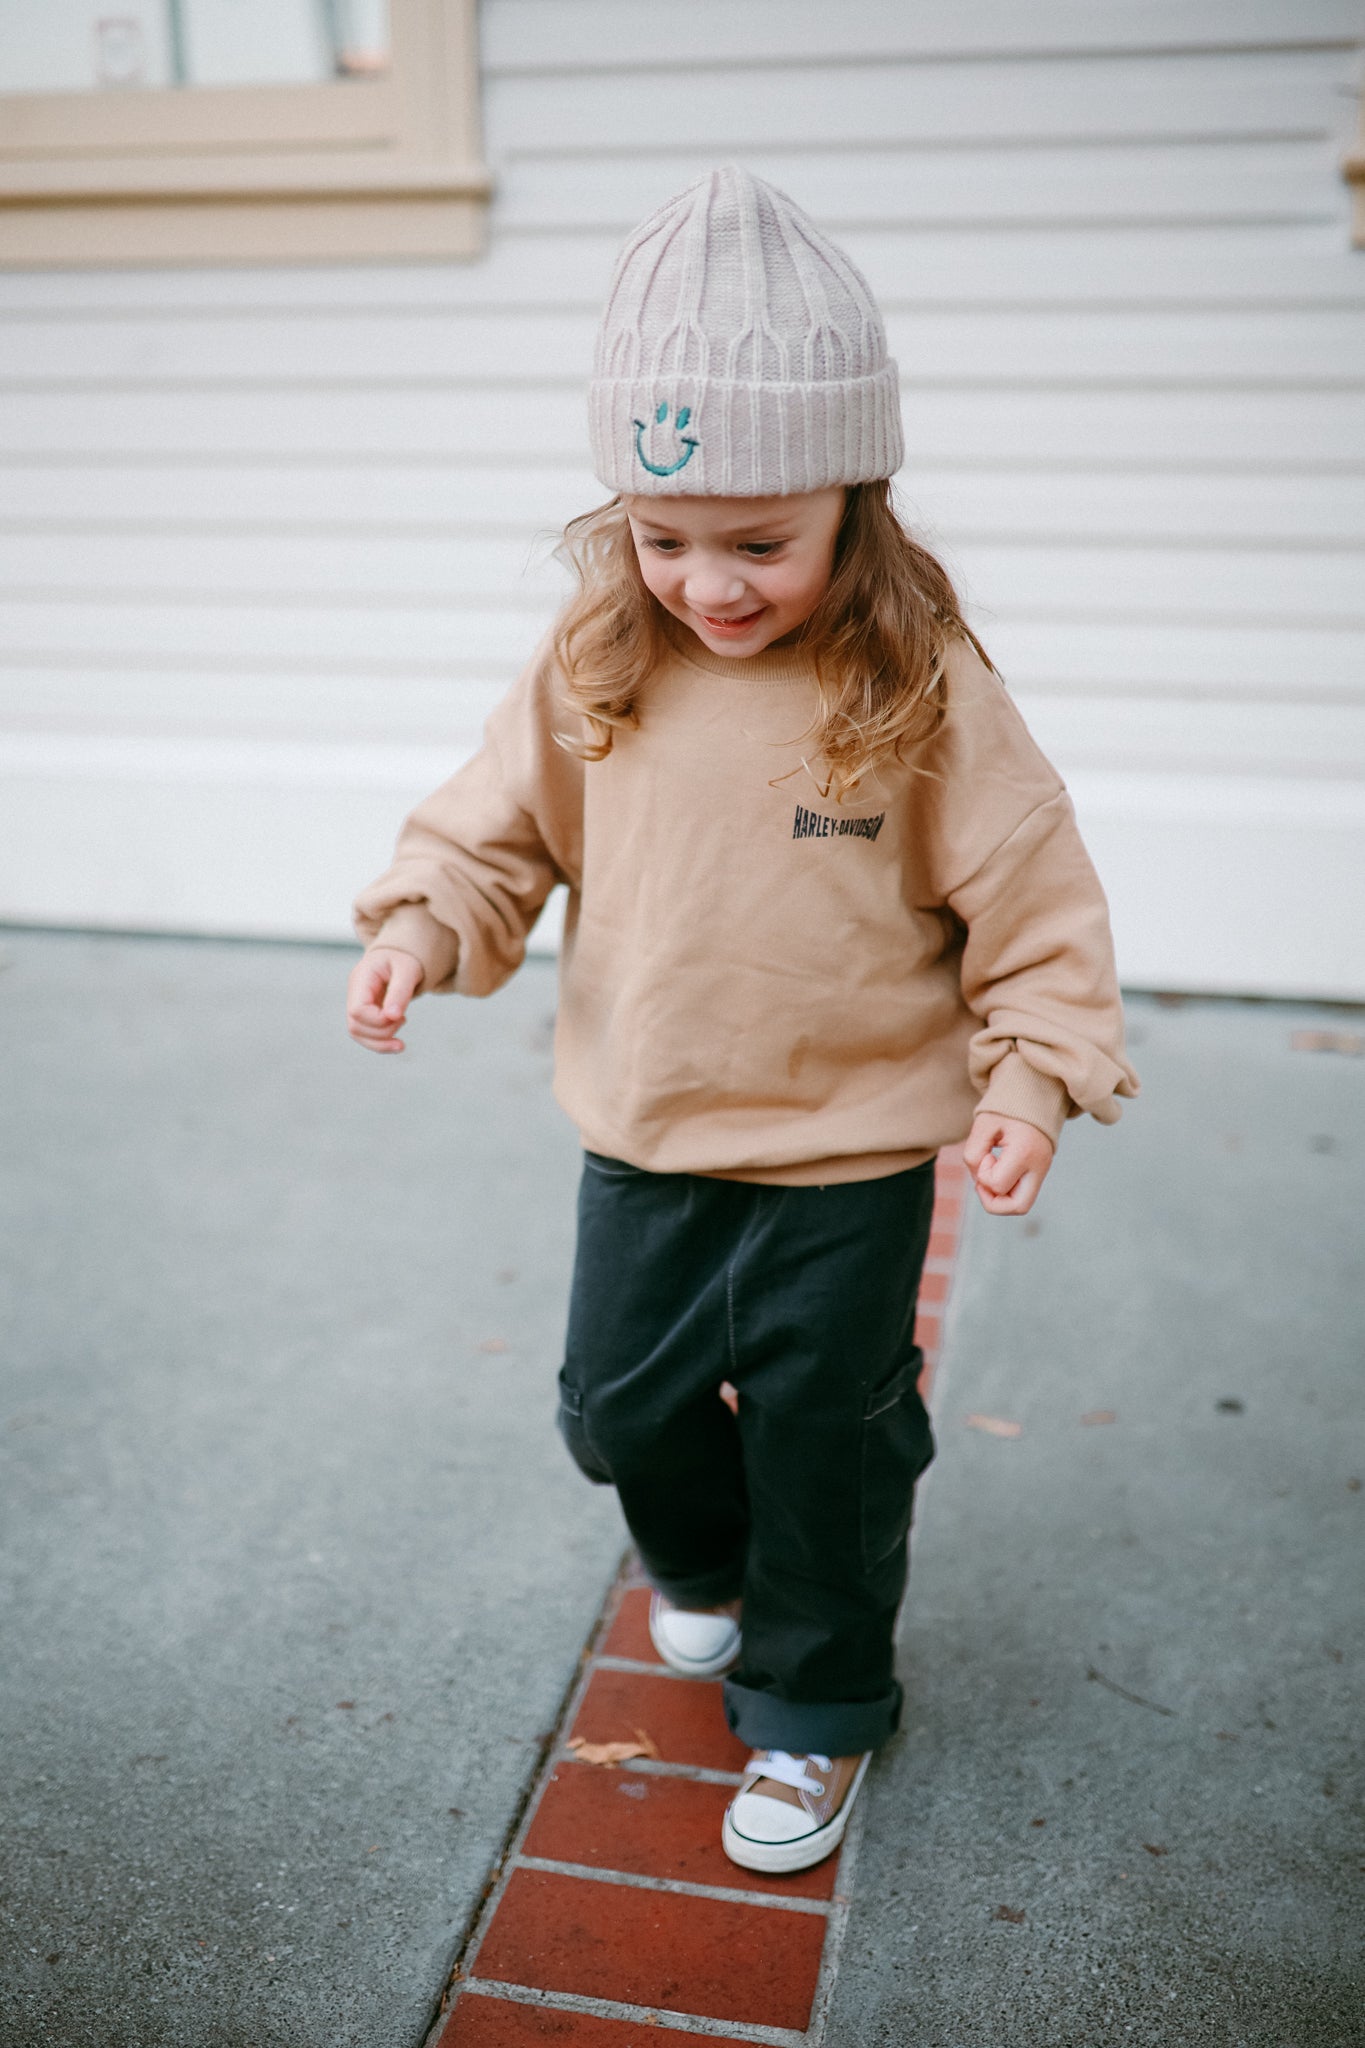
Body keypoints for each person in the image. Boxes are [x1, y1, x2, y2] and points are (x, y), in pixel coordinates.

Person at [347, 166, 1139, 1876]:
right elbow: (495, 829)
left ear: (855, 495)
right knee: (616, 1413)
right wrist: (424, 922)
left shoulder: (916, 692)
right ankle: (697, 1562)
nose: (707, 584)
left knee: (828, 1448)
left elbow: (1033, 900)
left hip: (845, 1156)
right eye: (662, 535)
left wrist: (1031, 1077)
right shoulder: (597, 666)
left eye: (758, 542)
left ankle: (813, 1709)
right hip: (646, 1129)